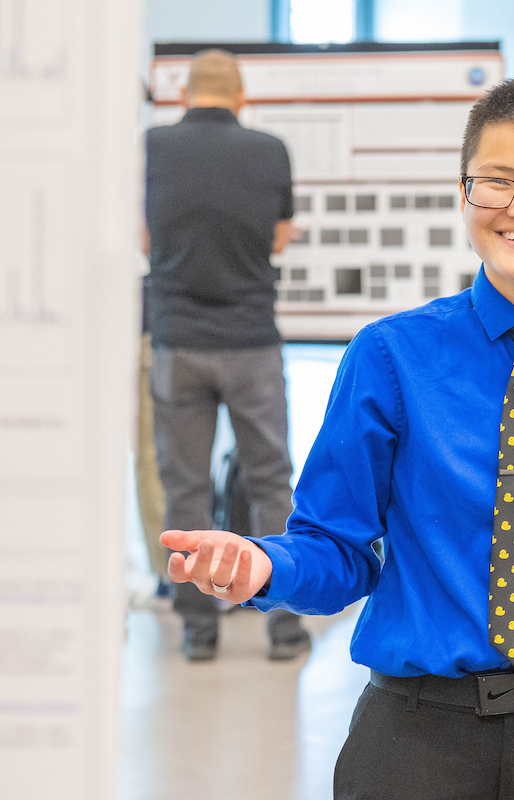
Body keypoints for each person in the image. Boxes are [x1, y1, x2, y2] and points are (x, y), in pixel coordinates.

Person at [162, 75, 514, 800]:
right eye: (497, 184)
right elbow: (338, 548)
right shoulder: (391, 357)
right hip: (414, 743)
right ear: (466, 194)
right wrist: (262, 566)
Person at [144, 49, 308, 662]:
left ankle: (198, 628)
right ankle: (283, 626)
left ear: (185, 94)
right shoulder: (269, 150)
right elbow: (279, 238)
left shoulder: (151, 149)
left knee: (184, 487)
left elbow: (143, 234)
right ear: (241, 98)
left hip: (177, 342)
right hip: (250, 342)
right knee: (270, 480)